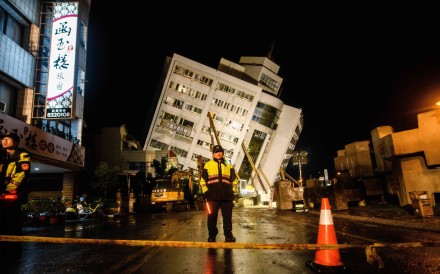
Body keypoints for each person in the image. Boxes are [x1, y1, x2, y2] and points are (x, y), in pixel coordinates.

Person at [0, 132, 31, 260]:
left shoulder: (23, 155)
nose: (4, 141)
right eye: (3, 139)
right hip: (1, 193)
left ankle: (13, 252)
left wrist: (8, 190)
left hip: (11, 194)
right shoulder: (2, 155)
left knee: (11, 223)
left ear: (16, 142)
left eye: (8, 139)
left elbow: (22, 174)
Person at [200, 145, 238, 243]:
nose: (219, 153)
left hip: (227, 197)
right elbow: (203, 180)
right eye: (216, 151)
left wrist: (232, 191)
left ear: (223, 153)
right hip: (212, 197)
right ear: (213, 154)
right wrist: (206, 192)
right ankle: (212, 235)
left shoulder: (228, 164)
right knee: (212, 217)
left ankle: (228, 235)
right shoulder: (208, 165)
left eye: (220, 151)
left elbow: (234, 179)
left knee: (227, 217)